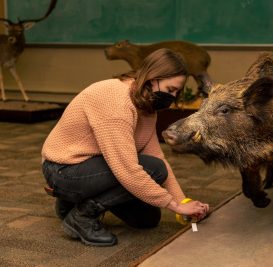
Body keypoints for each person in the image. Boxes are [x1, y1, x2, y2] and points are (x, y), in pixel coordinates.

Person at [41, 48, 209, 247]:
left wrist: (183, 203)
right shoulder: (116, 101)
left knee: (147, 219)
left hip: (93, 168)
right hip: (64, 169)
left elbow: (156, 155)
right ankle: (81, 215)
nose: (172, 97)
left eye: (176, 92)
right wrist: (173, 206)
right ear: (153, 78)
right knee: (152, 169)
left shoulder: (146, 104)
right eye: (170, 89)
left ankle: (71, 202)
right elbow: (127, 168)